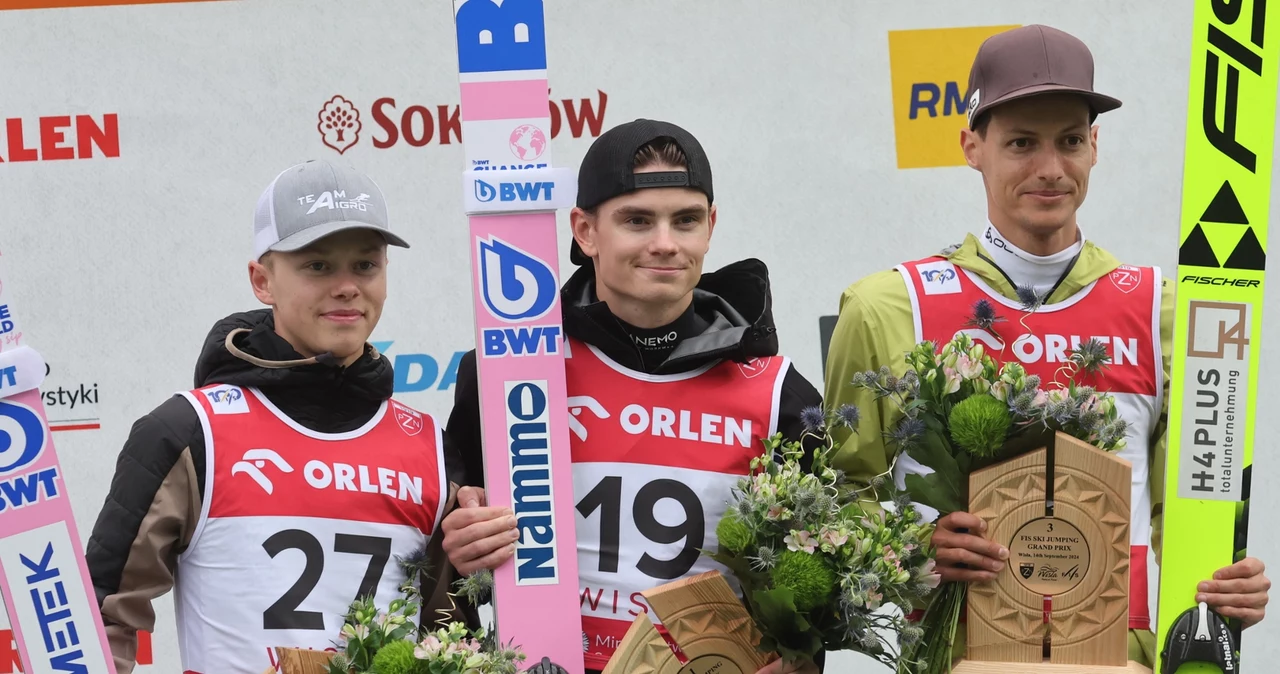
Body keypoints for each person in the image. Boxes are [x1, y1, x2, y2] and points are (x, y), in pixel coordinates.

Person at [822, 24, 1270, 667]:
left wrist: (1226, 587)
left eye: (1068, 141)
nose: (1050, 169)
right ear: (972, 146)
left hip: (1120, 658)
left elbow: (1191, 509)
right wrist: (913, 545)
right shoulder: (888, 306)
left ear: (1095, 146)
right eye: (1021, 143)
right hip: (955, 655)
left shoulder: (1166, 310)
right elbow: (839, 492)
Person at [438, 119, 824, 673]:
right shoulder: (510, 373)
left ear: (710, 227)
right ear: (586, 231)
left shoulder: (778, 391)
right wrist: (461, 547)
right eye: (637, 220)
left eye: (685, 220)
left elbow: (810, 592)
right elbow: (447, 574)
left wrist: (798, 663)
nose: (665, 244)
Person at [84, 159, 465, 673]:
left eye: (365, 265)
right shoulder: (188, 433)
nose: (347, 286)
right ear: (262, 280)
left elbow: (448, 636)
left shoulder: (431, 448)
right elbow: (103, 619)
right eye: (318, 266)